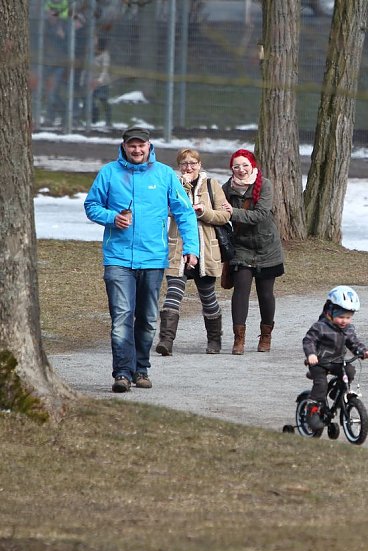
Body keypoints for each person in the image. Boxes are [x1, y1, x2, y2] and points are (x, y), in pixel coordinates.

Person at [84, 126, 199, 393]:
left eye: (141, 145)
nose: (137, 150)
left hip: (153, 258)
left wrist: (190, 247)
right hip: (118, 258)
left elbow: (184, 212)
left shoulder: (164, 175)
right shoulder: (109, 173)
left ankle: (141, 369)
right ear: (124, 146)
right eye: (132, 145)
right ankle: (122, 373)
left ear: (149, 146)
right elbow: (91, 205)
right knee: (122, 316)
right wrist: (113, 217)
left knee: (147, 318)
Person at [155, 149, 231, 356]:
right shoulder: (173, 184)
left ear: (200, 164)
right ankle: (166, 341)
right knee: (173, 294)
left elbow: (224, 215)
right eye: (184, 164)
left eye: (193, 163)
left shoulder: (211, 185)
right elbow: (164, 209)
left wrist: (204, 212)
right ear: (179, 167)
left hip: (206, 251)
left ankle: (214, 340)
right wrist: (183, 192)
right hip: (178, 249)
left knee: (208, 297)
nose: (189, 167)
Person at [221, 149, 284, 355]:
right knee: (241, 290)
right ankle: (239, 339)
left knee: (265, 293)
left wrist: (233, 212)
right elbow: (220, 214)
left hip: (267, 246)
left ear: (253, 166)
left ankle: (266, 335)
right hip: (241, 247)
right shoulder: (225, 188)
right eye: (236, 166)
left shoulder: (264, 185)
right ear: (232, 169)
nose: (241, 170)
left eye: (245, 165)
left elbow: (261, 214)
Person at [302, 286, 368, 431]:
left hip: (337, 362)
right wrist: (311, 354)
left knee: (349, 372)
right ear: (329, 312)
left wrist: (364, 352)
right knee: (321, 386)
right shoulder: (320, 327)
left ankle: (339, 392)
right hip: (319, 362)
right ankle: (312, 409)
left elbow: (354, 343)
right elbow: (308, 340)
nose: (344, 321)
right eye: (341, 317)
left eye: (348, 317)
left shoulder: (348, 329)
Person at [90, 37, 112, 126]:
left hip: (102, 82)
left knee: (103, 99)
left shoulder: (105, 54)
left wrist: (99, 80)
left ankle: (108, 121)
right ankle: (93, 121)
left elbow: (105, 69)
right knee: (91, 101)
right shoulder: (90, 52)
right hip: (91, 82)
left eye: (95, 40)